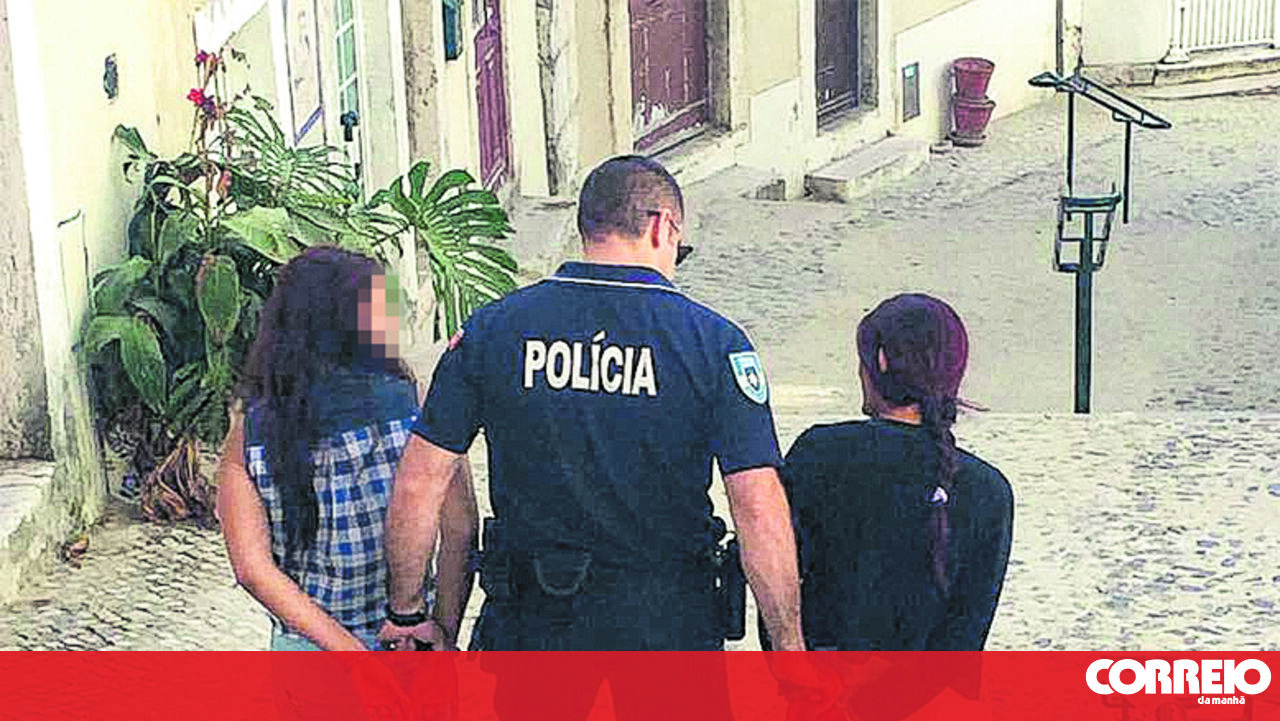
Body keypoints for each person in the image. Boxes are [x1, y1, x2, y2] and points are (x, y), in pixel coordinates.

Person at [378, 155, 808, 716]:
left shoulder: (494, 330)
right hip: (666, 627)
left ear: (587, 226)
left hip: (534, 622)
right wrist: (788, 650)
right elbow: (757, 507)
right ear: (662, 227)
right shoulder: (714, 344)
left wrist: (409, 612)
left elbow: (420, 481)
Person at [216, 246, 478, 651]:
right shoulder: (418, 407)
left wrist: (351, 655)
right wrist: (442, 630)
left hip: (306, 652)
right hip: (406, 643)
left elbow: (252, 569)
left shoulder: (249, 434)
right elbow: (460, 530)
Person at [768, 293, 1013, 718]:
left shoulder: (820, 452)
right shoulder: (989, 490)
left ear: (880, 361)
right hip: (919, 707)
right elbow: (960, 645)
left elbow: (780, 580)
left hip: (817, 699)